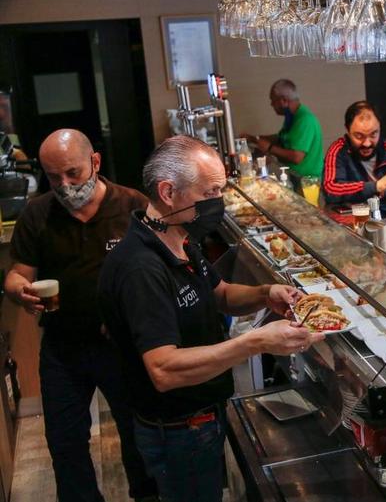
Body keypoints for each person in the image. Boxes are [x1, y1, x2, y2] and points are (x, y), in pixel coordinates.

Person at [97, 135, 324, 502]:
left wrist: (265, 293)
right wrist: (257, 341)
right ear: (168, 192)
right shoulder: (140, 267)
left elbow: (217, 293)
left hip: (203, 418)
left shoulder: (180, 238)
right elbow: (164, 369)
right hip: (177, 431)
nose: (218, 203)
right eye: (210, 192)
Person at [3, 129, 158, 502]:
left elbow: (163, 270)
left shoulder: (133, 205)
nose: (65, 185)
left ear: (95, 162)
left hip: (122, 347)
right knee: (65, 441)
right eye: (54, 177)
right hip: (63, 347)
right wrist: (18, 291)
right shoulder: (38, 213)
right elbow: (17, 273)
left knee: (138, 433)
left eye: (73, 173)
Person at [241, 79, 324, 178]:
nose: (271, 105)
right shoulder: (291, 116)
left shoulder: (305, 120)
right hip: (294, 177)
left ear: (284, 100)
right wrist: (253, 139)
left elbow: (296, 157)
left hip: (307, 182)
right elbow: (281, 138)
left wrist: (269, 148)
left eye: (273, 101)